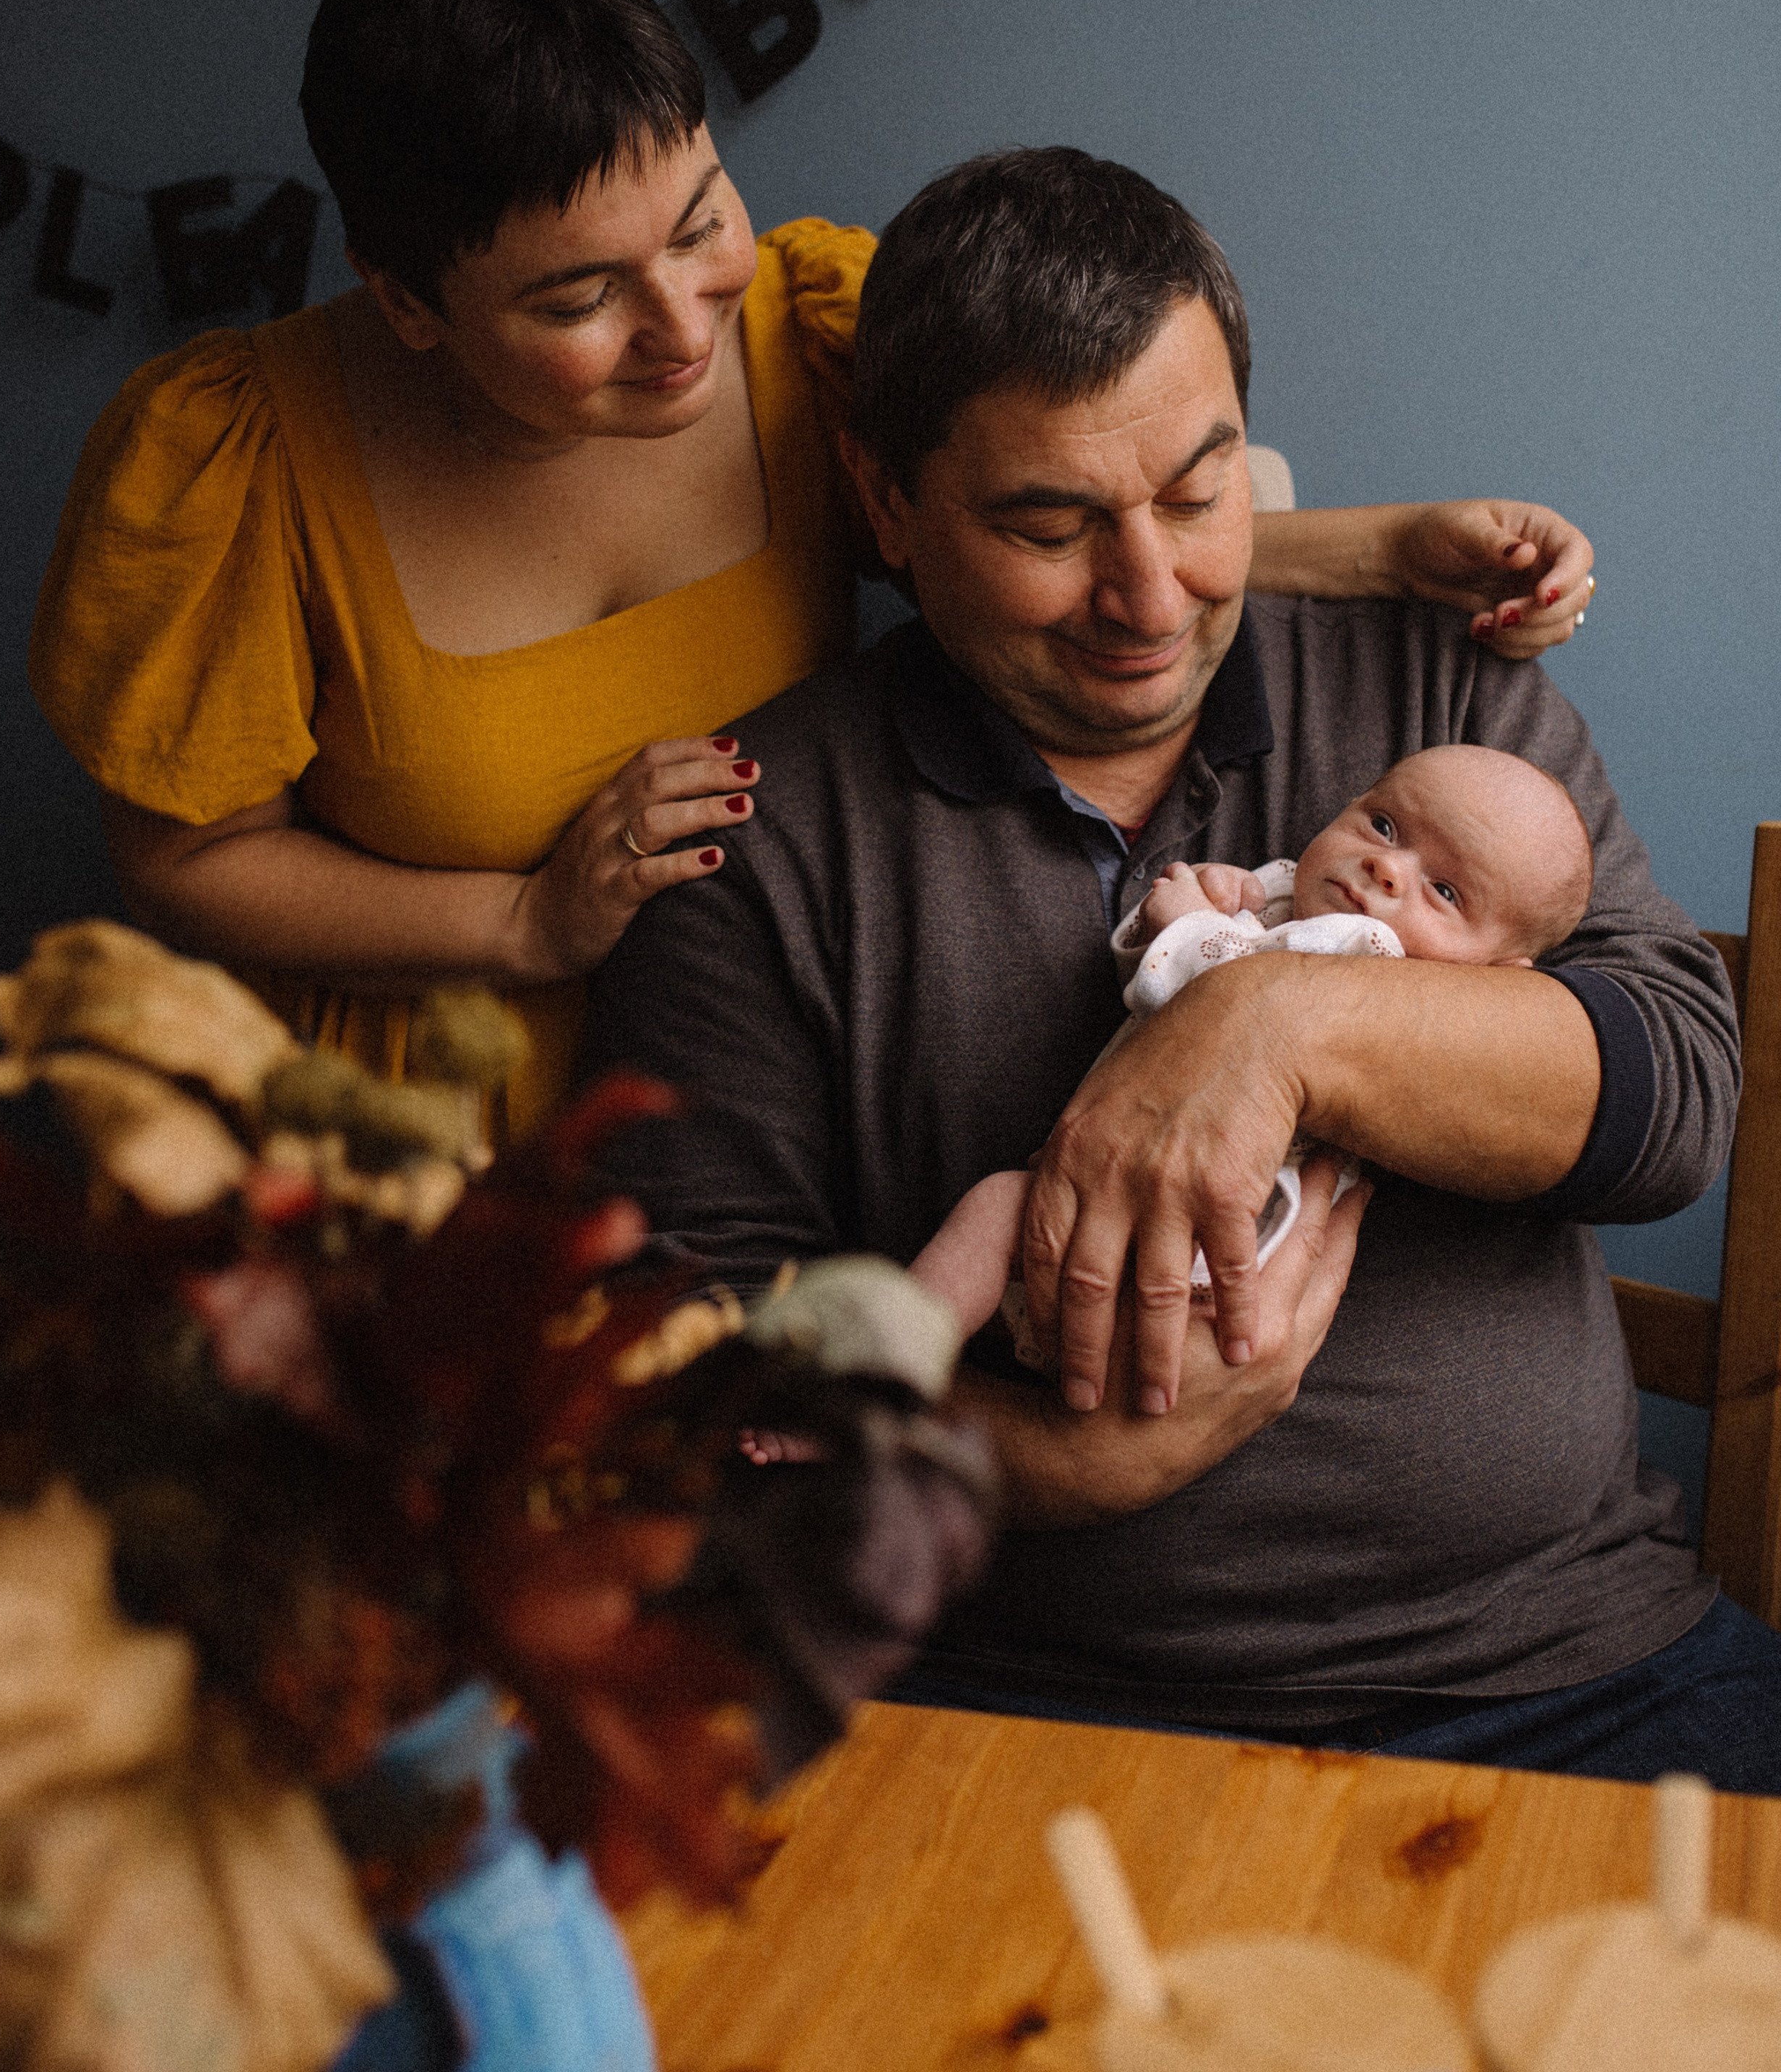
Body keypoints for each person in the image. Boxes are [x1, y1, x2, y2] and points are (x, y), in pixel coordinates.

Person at [579, 146, 1774, 1790]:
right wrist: (1065, 1469)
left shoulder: (1442, 700)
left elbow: (1675, 1102)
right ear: (885, 504)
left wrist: (1279, 1017)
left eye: (1198, 491)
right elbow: (689, 1387)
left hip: (1565, 1662)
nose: (1146, 596)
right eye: (1048, 523)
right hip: (1005, 1696)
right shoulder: (758, 837)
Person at [29, 0, 1597, 1140]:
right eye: (580, 297)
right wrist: (521, 923)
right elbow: (189, 864)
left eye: (699, 220)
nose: (679, 327)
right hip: (419, 1130)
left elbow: (1044, 541)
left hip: (769, 1088)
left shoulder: (809, 335)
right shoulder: (239, 458)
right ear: (409, 301)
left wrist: (1387, 548)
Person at [913, 743, 1597, 1362]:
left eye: (1445, 892)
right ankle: (896, 1361)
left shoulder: (1382, 959)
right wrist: (1184, 908)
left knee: (1001, 1212)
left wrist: (1188, 925)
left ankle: (899, 1358)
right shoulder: (1283, 891)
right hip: (1115, 1197)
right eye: (1384, 826)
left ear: (1498, 975)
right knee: (999, 1212)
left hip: (1220, 1229)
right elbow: (1147, 988)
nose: (1386, 867)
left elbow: (1225, 996)